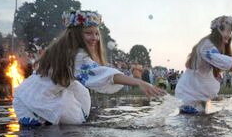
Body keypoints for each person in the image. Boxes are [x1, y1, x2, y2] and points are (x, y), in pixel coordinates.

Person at [13, 10, 164, 126]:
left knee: (76, 98)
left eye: (96, 34)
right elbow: (103, 74)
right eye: (88, 33)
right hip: (36, 102)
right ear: (76, 35)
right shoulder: (76, 55)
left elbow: (98, 72)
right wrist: (139, 82)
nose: (95, 38)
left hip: (28, 94)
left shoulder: (61, 50)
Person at [175, 15, 232, 114]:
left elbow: (215, 64)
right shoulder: (207, 46)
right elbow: (225, 63)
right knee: (196, 122)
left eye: (230, 32)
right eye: (228, 31)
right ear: (219, 31)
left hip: (195, 92)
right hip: (189, 95)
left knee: (204, 122)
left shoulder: (210, 45)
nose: (229, 36)